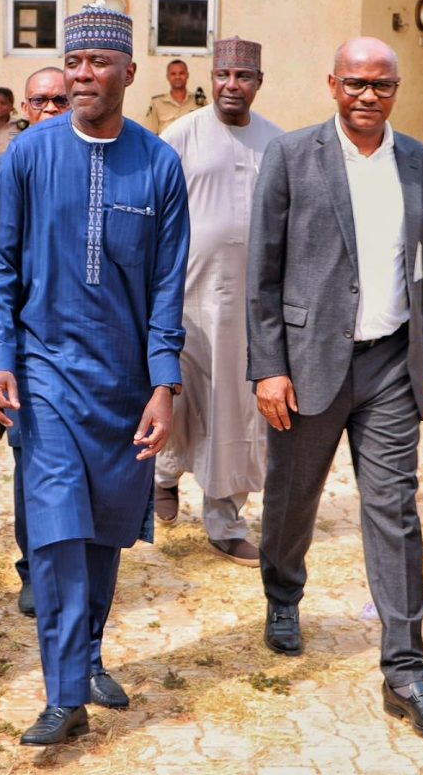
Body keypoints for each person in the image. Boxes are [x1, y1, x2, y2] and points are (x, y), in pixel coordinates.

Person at [0, 5, 190, 745]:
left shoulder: (158, 165)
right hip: (46, 376)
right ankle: (64, 692)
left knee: (103, 532)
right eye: (73, 62)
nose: (82, 75)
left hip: (125, 385)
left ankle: (89, 655)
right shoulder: (27, 157)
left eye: (98, 63)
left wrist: (163, 384)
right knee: (58, 531)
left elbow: (168, 286)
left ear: (128, 72)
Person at [247, 37, 423, 742]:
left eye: (382, 85)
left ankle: (406, 671)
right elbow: (262, 272)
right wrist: (268, 366)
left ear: (397, 88)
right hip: (307, 361)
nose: (368, 96)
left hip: (390, 366)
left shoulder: (421, 163)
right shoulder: (290, 156)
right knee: (292, 495)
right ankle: (283, 591)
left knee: (394, 509)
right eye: (356, 83)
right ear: (332, 84)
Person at [153, 38, 283, 566]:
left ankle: (225, 521)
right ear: (212, 79)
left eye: (243, 76)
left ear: (258, 82)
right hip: (186, 296)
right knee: (177, 397)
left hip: (249, 306)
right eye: (224, 74)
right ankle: (162, 478)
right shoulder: (180, 135)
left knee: (237, 412)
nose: (233, 85)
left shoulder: (276, 142)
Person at [0, 65, 69, 617]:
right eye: (40, 101)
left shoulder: (93, 166)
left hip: (81, 342)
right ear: (25, 109)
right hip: (24, 346)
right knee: (32, 460)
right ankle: (34, 568)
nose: (49, 110)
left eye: (60, 101)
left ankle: (73, 564)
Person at [146, 59, 203, 134]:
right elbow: (150, 134)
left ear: (187, 75)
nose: (177, 77)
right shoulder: (157, 103)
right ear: (167, 77)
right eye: (173, 74)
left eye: (181, 73)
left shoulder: (199, 102)